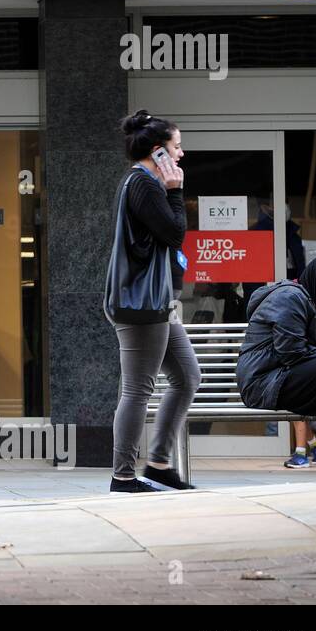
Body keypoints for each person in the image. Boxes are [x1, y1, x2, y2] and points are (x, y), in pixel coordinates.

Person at [104, 110, 201, 492]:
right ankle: (123, 475)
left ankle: (159, 463)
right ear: (159, 152)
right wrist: (176, 192)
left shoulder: (142, 183)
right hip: (140, 305)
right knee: (137, 390)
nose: (181, 154)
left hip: (152, 302)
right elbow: (174, 233)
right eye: (176, 147)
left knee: (187, 376)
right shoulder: (143, 184)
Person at [236, 255, 316, 468]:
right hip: (262, 383)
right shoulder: (291, 297)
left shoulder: (306, 300)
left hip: (277, 377)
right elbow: (291, 351)